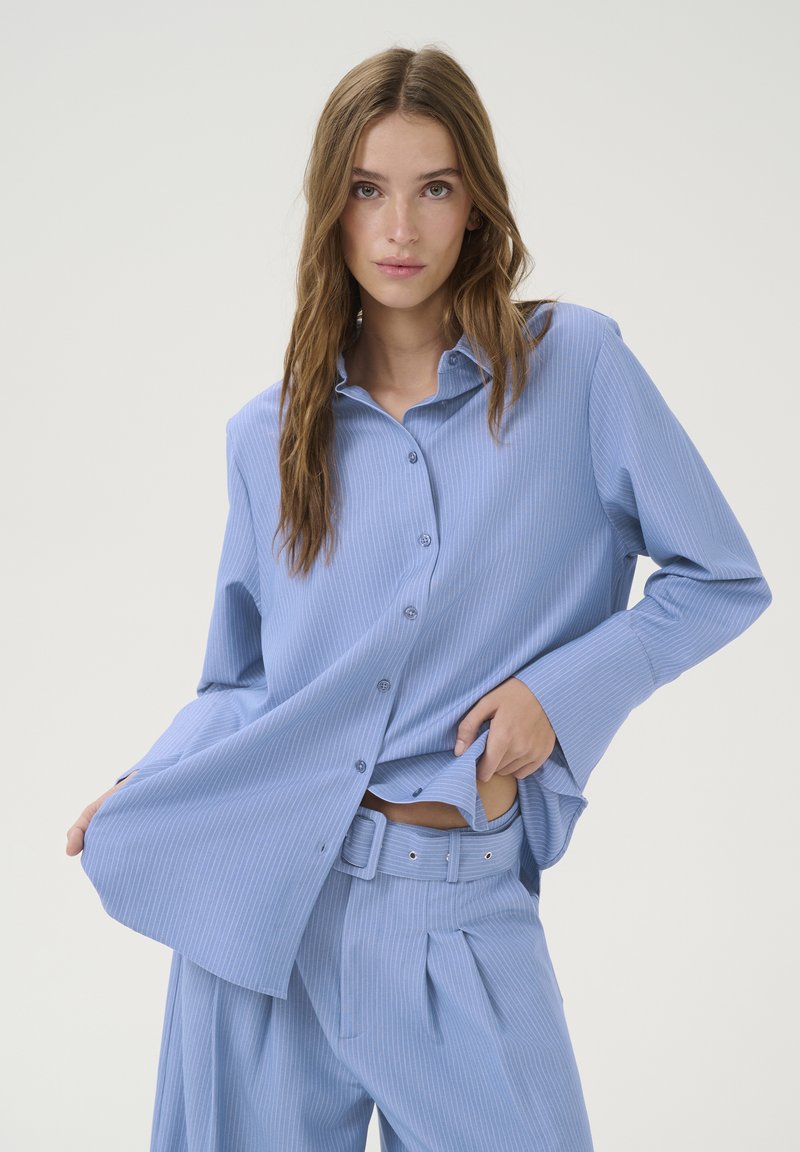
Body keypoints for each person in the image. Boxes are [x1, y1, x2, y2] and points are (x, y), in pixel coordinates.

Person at [67, 44, 772, 1152]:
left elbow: (719, 578)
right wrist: (153, 777)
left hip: (455, 908)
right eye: (366, 190)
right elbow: (241, 683)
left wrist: (559, 694)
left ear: (475, 202)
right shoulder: (267, 436)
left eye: (433, 188)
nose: (399, 229)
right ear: (330, 210)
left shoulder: (575, 367)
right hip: (260, 911)